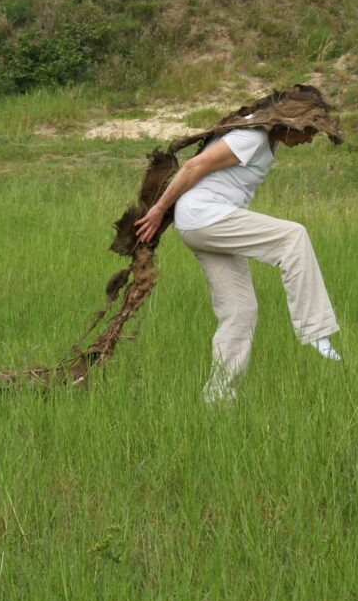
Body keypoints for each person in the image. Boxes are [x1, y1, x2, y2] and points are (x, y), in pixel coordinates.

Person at [133, 115, 341, 402]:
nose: (308, 140)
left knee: (241, 310)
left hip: (205, 223)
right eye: (309, 132)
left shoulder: (262, 133)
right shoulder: (251, 137)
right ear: (292, 123)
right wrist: (158, 211)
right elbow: (195, 165)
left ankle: (219, 399)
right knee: (293, 236)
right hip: (207, 218)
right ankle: (315, 329)